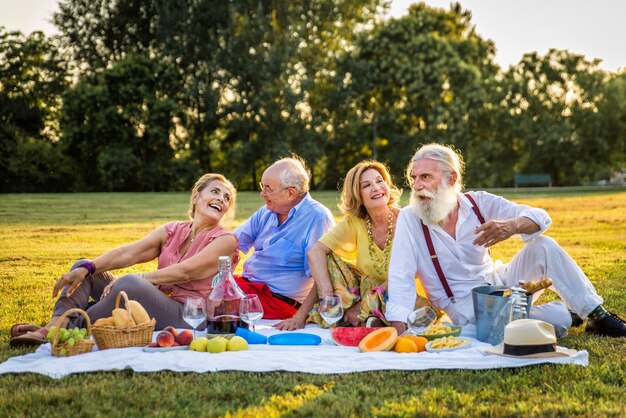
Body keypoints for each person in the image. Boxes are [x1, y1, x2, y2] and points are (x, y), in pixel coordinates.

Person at [386, 143, 626, 338]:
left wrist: (512, 226)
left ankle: (597, 315)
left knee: (544, 246)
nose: (417, 186)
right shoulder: (410, 218)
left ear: (451, 179)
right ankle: (559, 313)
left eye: (426, 177)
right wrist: (399, 327)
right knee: (559, 321)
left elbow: (540, 217)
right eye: (414, 178)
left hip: (500, 284)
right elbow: (401, 274)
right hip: (466, 308)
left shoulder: (478, 203)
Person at [9, 174, 240, 347]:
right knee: (85, 267)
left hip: (189, 315)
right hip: (154, 303)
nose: (222, 200)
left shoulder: (225, 240)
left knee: (130, 284)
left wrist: (141, 279)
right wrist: (88, 267)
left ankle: (64, 329)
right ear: (196, 195)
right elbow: (128, 253)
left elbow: (187, 272)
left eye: (227, 198)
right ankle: (52, 326)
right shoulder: (173, 230)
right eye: (216, 192)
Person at [278, 160, 430, 330]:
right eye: (366, 185)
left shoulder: (408, 220)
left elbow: (411, 272)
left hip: (402, 297)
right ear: (357, 194)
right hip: (366, 292)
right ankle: (368, 320)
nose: (376, 188)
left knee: (418, 315)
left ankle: (367, 319)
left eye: (380, 181)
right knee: (327, 260)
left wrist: (363, 305)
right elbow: (315, 253)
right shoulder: (355, 223)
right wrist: (327, 298)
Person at [234, 156, 335, 322]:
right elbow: (232, 243)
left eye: (268, 188)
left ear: (290, 193)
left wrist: (299, 317)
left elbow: (323, 277)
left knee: (205, 299)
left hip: (277, 301)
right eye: (262, 187)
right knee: (200, 287)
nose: (261, 194)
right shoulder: (266, 211)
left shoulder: (317, 217)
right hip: (248, 289)